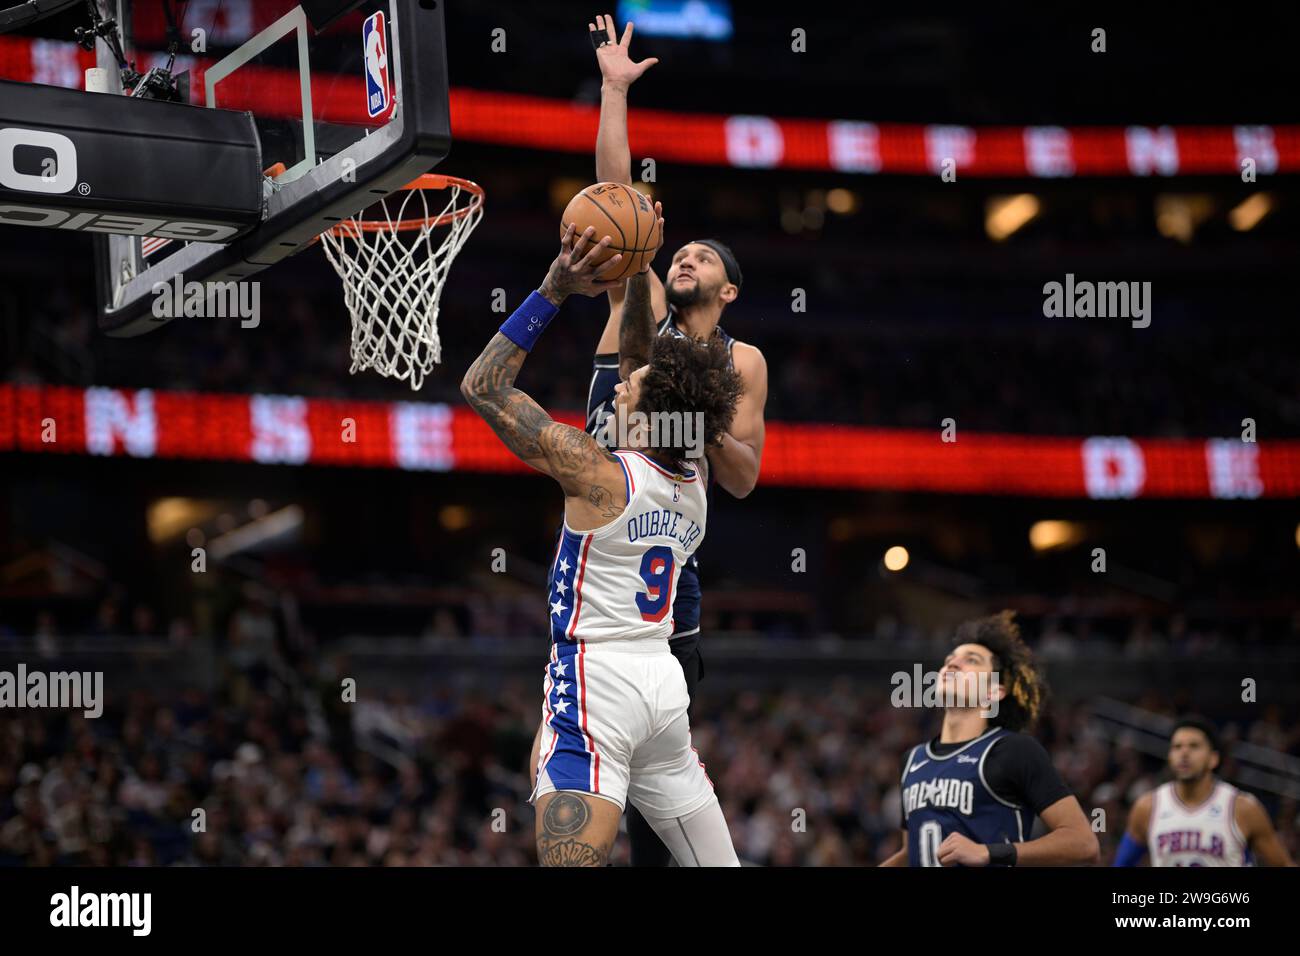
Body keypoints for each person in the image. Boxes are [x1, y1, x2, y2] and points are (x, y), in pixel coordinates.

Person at [461, 224, 743, 866]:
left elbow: (483, 387)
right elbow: (646, 363)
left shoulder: (596, 473)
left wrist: (552, 290)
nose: (618, 385)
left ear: (649, 412)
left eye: (629, 388)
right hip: (663, 683)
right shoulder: (694, 476)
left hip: (597, 681)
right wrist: (639, 280)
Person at [582, 10, 771, 866]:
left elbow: (741, 477)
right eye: (678, 251)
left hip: (666, 596)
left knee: (661, 807)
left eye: (701, 257)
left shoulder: (742, 358)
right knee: (588, 792)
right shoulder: (639, 310)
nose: (683, 258)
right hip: (590, 562)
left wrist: (681, 421)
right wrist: (614, 92)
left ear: (729, 291)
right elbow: (616, 203)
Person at [880, 611, 1100, 866]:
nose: (952, 664)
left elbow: (1084, 843)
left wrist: (988, 851)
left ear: (994, 691)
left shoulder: (1013, 750)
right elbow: (912, 852)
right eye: (949, 659)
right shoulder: (912, 759)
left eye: (970, 660)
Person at [1115, 716, 1294, 866]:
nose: (1184, 753)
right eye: (1177, 747)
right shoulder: (1147, 807)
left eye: (1194, 746)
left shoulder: (1243, 807)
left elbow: (1283, 864)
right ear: (1170, 757)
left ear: (1213, 758)